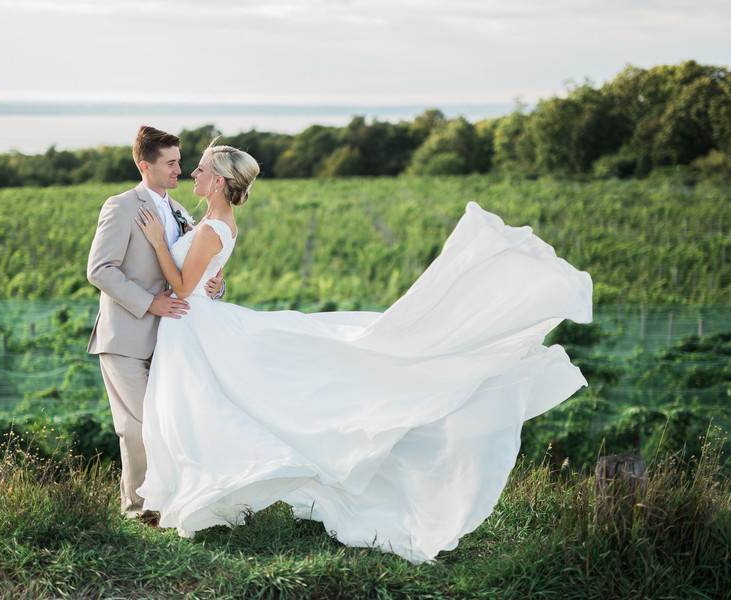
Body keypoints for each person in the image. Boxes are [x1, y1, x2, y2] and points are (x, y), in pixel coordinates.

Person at [133, 138, 593, 564]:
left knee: (204, 409)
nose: (191, 174)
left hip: (189, 325)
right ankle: (195, 497)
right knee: (194, 411)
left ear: (217, 181)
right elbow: (201, 278)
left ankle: (199, 496)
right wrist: (210, 279)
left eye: (198, 170)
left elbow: (181, 285)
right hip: (192, 324)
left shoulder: (214, 227)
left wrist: (157, 242)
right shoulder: (215, 223)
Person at [85, 125, 225, 521]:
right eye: (171, 163)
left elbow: (189, 270)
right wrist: (150, 304)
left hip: (171, 339)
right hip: (125, 336)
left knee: (167, 421)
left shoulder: (181, 212)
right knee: (137, 426)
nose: (179, 169)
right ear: (145, 165)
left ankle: (168, 504)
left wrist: (215, 285)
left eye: (180, 161)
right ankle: (137, 511)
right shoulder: (120, 207)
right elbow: (100, 270)